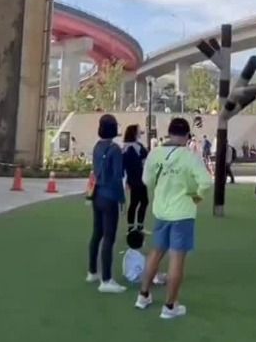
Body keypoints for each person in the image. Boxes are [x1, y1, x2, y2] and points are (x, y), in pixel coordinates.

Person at [135, 117, 212, 320]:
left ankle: (143, 295)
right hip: (183, 213)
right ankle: (170, 306)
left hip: (161, 211)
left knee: (156, 252)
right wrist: (197, 196)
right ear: (187, 136)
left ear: (169, 133)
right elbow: (206, 181)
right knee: (177, 258)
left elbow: (146, 180)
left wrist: (161, 190)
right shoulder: (190, 157)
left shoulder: (155, 154)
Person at [87, 114, 126, 294]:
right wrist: (122, 199)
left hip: (96, 195)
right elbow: (118, 177)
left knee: (97, 233)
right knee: (109, 237)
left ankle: (92, 271)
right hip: (110, 197)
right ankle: (107, 279)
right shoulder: (115, 149)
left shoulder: (97, 146)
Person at [122, 124, 150, 232]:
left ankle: (137, 226)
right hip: (136, 178)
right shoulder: (130, 147)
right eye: (138, 130)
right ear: (134, 133)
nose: (140, 132)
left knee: (141, 201)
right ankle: (133, 227)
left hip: (137, 178)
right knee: (137, 202)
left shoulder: (134, 145)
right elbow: (133, 162)